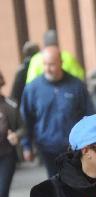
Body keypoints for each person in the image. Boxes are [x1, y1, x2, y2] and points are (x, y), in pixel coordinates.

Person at [20, 46, 92, 177]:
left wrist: (92, 141)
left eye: (52, 64)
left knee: (75, 182)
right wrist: (26, 146)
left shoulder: (76, 85)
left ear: (61, 62)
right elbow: (26, 118)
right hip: (47, 146)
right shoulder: (32, 89)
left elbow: (89, 114)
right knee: (54, 183)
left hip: (74, 147)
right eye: (45, 64)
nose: (48, 68)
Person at [0, 71, 24, 197]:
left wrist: (16, 135)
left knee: (1, 192)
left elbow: (23, 127)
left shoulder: (9, 105)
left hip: (6, 156)